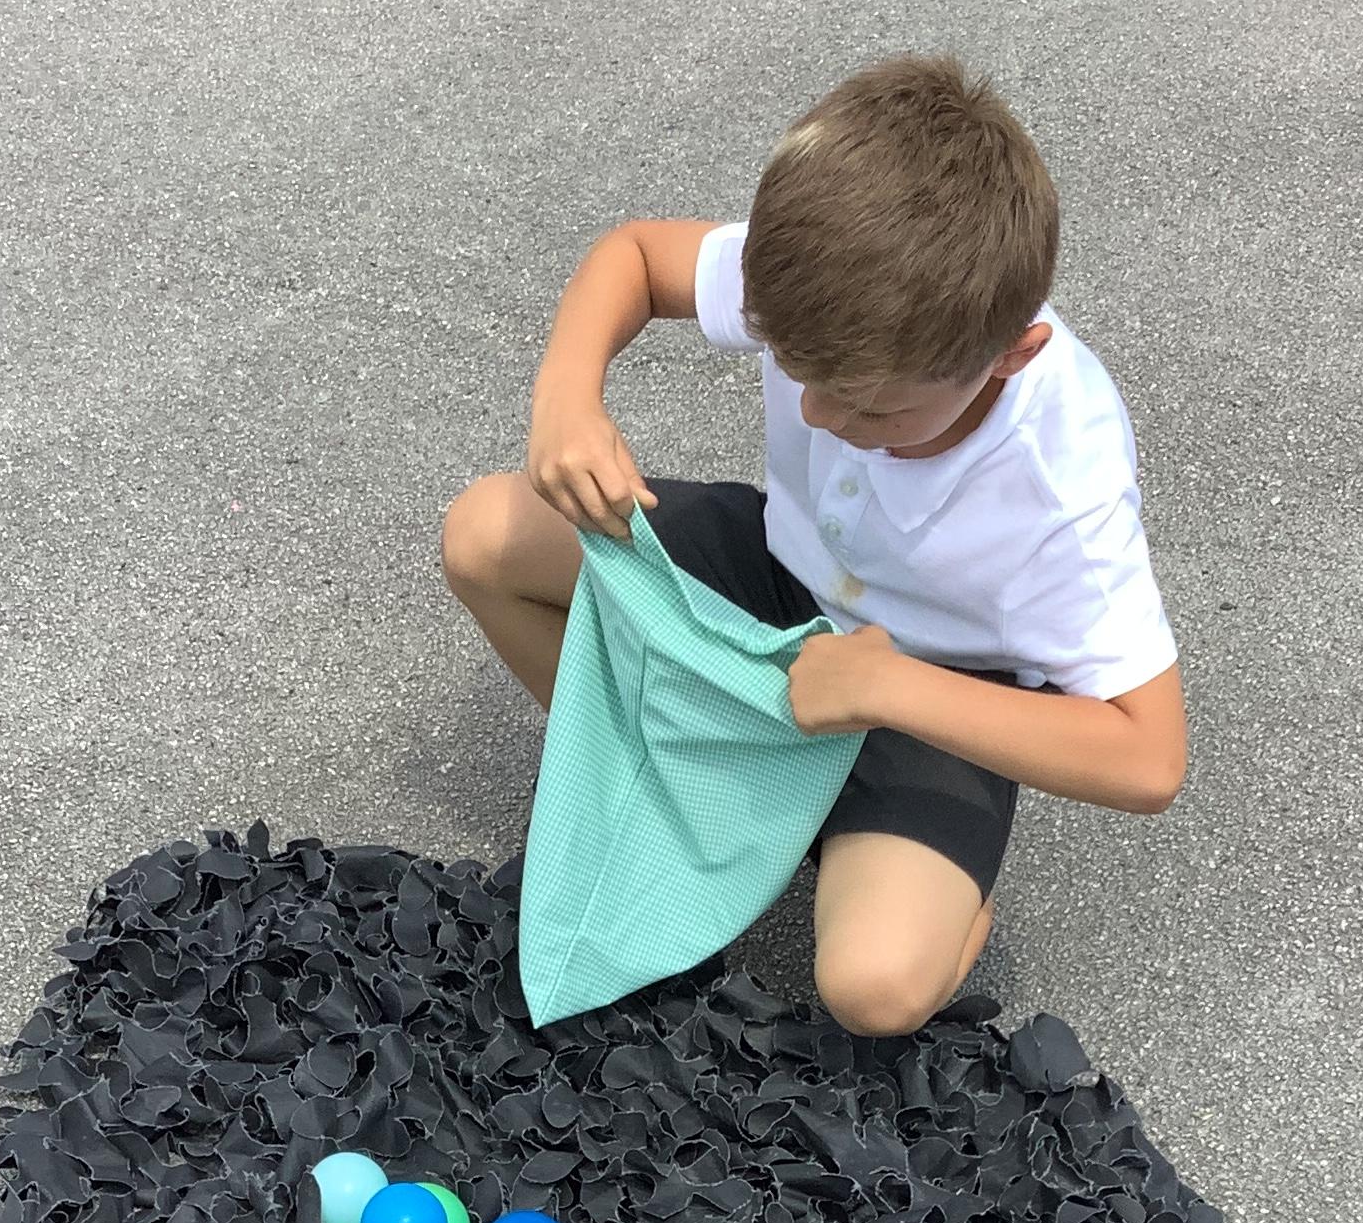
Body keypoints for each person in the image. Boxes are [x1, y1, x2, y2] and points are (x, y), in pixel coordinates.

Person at [442, 55, 1186, 1036]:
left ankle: (895, 874)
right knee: (486, 537)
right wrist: (566, 398)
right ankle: (688, 790)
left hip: (931, 684)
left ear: (1011, 355)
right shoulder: (828, 278)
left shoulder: (1059, 481)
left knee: (874, 989)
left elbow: (1149, 757)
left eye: (873, 408)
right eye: (798, 373)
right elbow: (637, 257)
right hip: (776, 568)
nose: (820, 416)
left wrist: (888, 689)